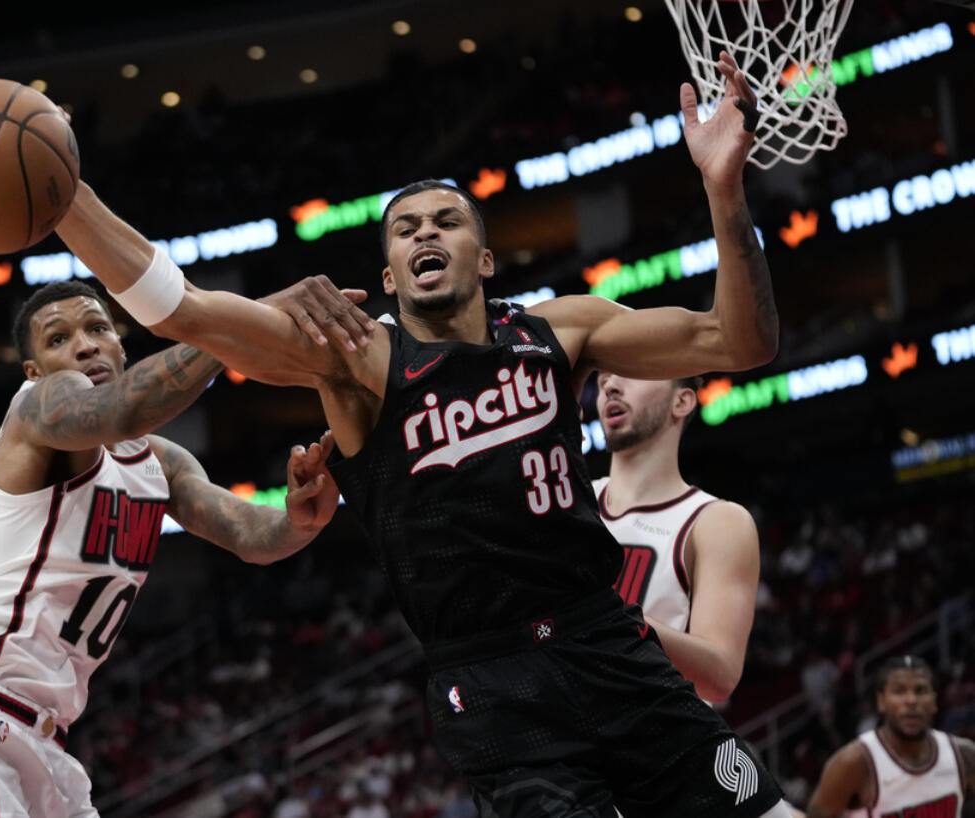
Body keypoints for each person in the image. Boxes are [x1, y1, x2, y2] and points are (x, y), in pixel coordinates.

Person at [56, 51, 796, 817]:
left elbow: (739, 343)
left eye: (445, 221)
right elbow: (186, 310)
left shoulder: (562, 330)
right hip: (493, 683)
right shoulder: (356, 357)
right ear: (389, 275)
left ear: (484, 259)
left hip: (608, 642)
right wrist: (64, 196)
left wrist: (722, 185)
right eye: (404, 230)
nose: (423, 235)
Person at [0, 278, 363, 817]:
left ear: (121, 346)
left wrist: (299, 521)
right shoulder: (37, 410)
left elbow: (251, 537)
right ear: (34, 373)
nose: (84, 345)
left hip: (47, 745)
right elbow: (121, 411)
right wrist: (237, 321)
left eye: (98, 327)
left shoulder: (158, 463)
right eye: (58, 339)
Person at [588, 373, 760, 704]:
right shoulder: (568, 501)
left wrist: (617, 617)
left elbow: (721, 676)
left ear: (680, 401)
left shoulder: (716, 521)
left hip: (652, 743)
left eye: (631, 371)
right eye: (603, 378)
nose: (610, 385)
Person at [806, 656, 975, 818]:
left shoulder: (963, 754)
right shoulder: (854, 762)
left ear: (934, 700)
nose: (911, 700)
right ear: (881, 701)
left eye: (920, 690)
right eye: (899, 691)